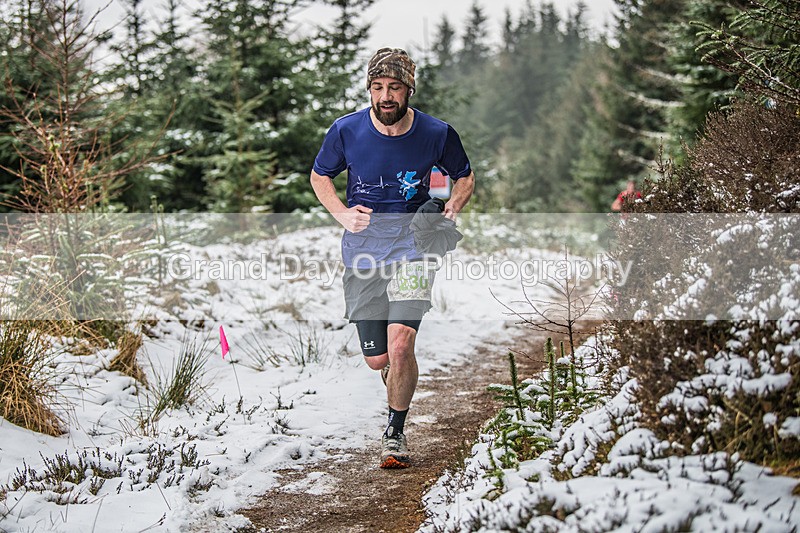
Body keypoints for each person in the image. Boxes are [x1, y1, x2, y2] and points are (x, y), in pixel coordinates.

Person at [309, 48, 475, 469]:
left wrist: (451, 208)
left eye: (394, 87)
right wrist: (342, 214)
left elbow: (465, 176)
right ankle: (390, 376)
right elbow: (320, 175)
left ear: (408, 90)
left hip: (414, 248)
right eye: (378, 87)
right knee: (378, 357)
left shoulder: (437, 133)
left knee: (401, 344)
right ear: (369, 88)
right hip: (363, 251)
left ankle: (395, 433)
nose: (385, 95)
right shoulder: (345, 131)